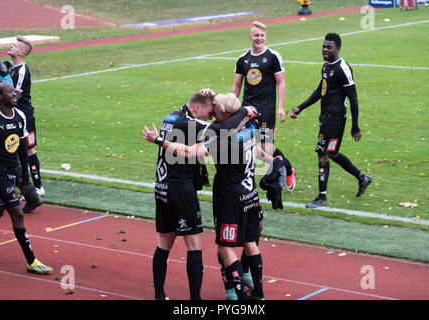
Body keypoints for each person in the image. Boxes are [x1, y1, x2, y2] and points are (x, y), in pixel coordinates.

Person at [143, 93, 277, 300]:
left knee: (175, 243)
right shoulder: (245, 128)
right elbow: (250, 144)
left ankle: (161, 295)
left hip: (165, 187)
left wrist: (159, 140)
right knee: (238, 242)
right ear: (197, 108)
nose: (211, 116)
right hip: (236, 193)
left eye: (215, 112)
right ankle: (242, 292)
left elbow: (203, 139)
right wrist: (276, 163)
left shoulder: (171, 118)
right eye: (209, 111)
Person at [290, 33, 372, 208]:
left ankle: (322, 196)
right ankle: (362, 178)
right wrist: (300, 107)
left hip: (334, 119)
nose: (325, 50)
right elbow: (321, 90)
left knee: (322, 154)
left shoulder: (343, 68)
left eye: (329, 47)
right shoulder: (326, 66)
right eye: (324, 46)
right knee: (332, 154)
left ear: (338, 49)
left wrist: (355, 126)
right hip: (326, 117)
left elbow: (354, 99)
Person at [0, 81, 52, 275]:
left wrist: (24, 180)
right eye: (9, 91)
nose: (14, 93)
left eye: (14, 90)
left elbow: (22, 149)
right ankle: (31, 261)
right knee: (17, 213)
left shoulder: (20, 116)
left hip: (13, 169)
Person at [231, 20, 296, 192]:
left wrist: (280, 107)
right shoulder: (242, 59)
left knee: (267, 148)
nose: (259, 38)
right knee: (245, 143)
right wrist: (232, 105)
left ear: (265, 37)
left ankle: (287, 170)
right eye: (256, 35)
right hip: (247, 110)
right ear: (250, 37)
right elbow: (237, 85)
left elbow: (281, 83)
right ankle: (247, 181)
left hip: (266, 110)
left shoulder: (273, 56)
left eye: (262, 35)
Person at [7, 36, 45, 203]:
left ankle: (37, 187)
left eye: (14, 45)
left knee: (29, 149)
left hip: (24, 116)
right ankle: (22, 185)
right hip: (13, 114)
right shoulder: (10, 68)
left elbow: (14, 95)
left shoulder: (22, 70)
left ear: (21, 52)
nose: (11, 46)